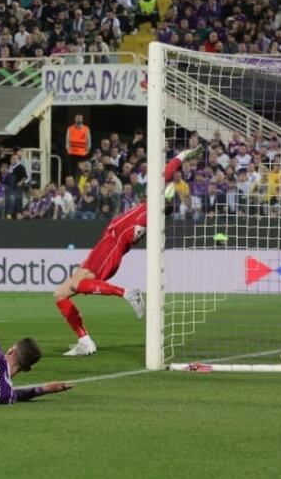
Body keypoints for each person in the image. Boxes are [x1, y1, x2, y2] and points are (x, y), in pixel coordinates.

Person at [55, 147, 201, 356]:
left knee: (77, 284)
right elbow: (167, 174)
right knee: (60, 294)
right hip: (107, 245)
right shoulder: (148, 208)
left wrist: (182, 156)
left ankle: (126, 293)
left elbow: (167, 174)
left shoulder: (151, 213)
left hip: (111, 248)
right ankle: (84, 341)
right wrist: (183, 156)